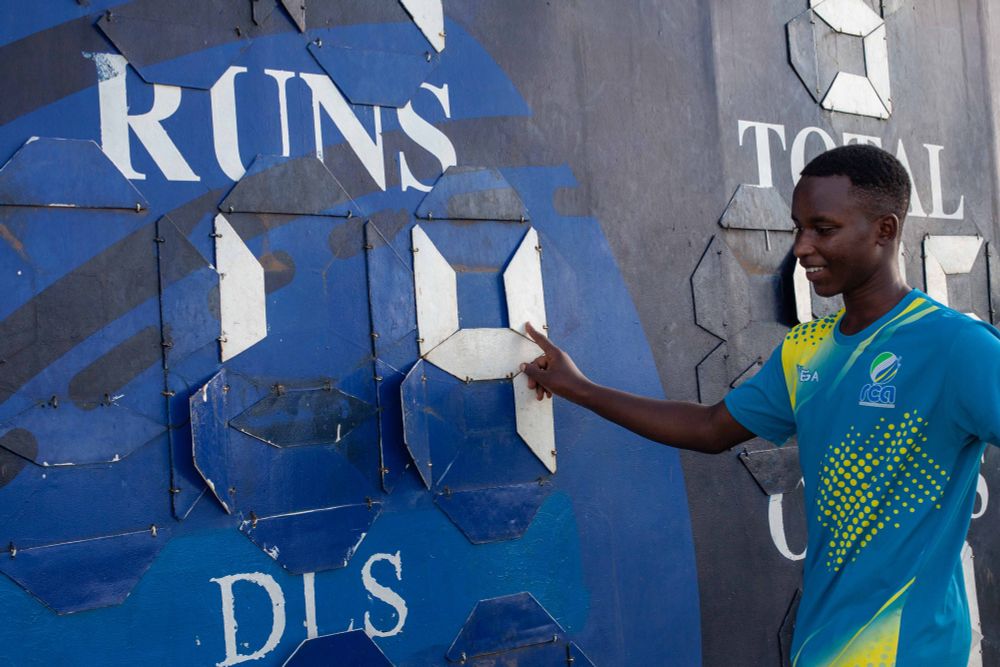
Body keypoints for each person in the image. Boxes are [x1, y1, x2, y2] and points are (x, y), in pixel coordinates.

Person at [520, 144, 1000, 666]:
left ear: (884, 230)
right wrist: (580, 387)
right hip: (820, 648)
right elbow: (709, 428)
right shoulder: (806, 349)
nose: (800, 247)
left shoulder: (955, 346)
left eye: (823, 228)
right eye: (798, 227)